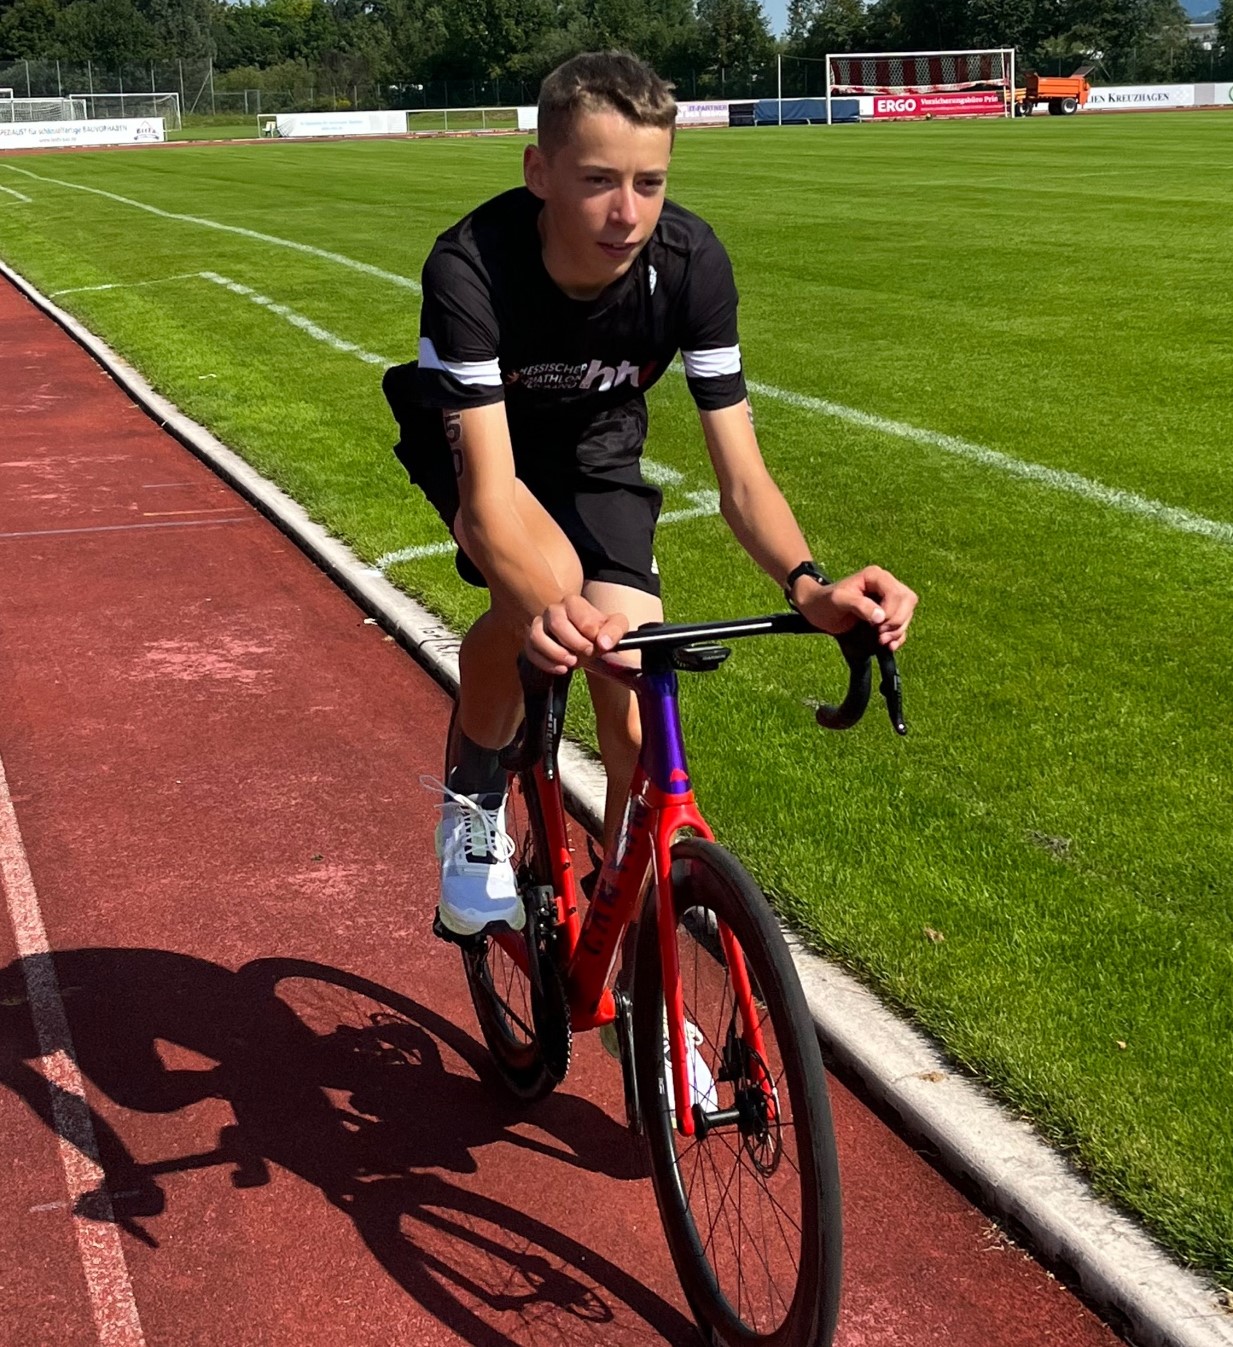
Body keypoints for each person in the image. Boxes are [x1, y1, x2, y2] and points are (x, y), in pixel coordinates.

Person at [384, 50, 917, 940]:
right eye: (596, 181)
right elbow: (487, 499)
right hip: (483, 440)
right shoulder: (469, 266)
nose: (626, 214)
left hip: (596, 445)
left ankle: (639, 982)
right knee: (547, 591)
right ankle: (472, 803)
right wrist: (545, 609)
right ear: (538, 171)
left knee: (633, 691)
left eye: (648, 182)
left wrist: (808, 585)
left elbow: (741, 476)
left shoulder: (692, 262)